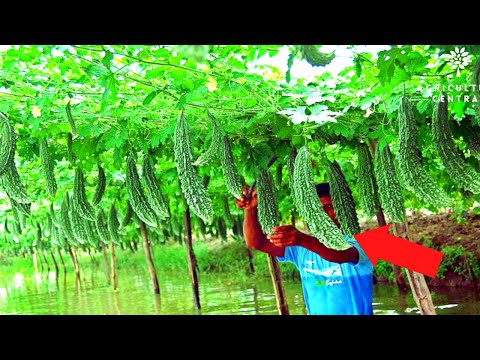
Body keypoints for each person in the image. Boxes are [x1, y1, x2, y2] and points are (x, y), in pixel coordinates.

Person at [235, 182, 373, 315]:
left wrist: (302, 240)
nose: (323, 214)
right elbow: (256, 242)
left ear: (342, 209)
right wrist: (250, 209)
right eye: (318, 209)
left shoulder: (364, 242)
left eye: (329, 207)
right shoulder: (301, 248)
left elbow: (342, 255)